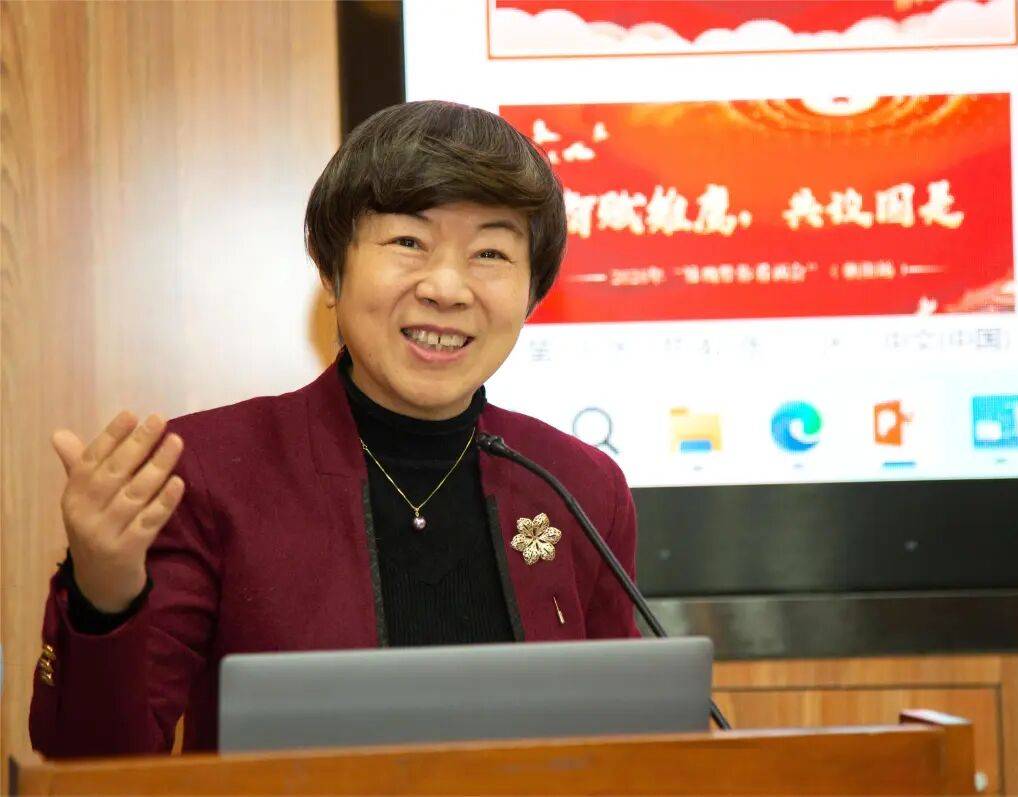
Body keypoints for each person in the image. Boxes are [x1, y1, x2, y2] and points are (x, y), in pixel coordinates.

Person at [29, 101, 639, 758]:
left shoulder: (578, 484)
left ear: (532, 293)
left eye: (490, 252)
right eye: (408, 242)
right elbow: (92, 762)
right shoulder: (206, 472)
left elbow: (630, 745)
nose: (446, 287)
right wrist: (104, 593)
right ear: (330, 271)